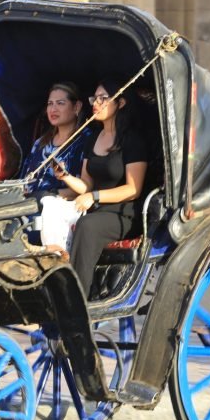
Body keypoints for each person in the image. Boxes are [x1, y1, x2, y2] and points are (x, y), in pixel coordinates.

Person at [55, 78, 148, 298]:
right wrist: (66, 177)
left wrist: (94, 196)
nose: (95, 103)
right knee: (50, 211)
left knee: (87, 226)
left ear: (120, 103)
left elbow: (133, 189)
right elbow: (86, 184)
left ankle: (76, 299)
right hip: (95, 208)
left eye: (103, 98)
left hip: (123, 213)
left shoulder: (132, 140)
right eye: (94, 98)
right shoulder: (94, 138)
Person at [19, 82, 90, 256]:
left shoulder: (87, 142)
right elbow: (25, 180)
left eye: (60, 103)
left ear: (77, 106)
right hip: (27, 205)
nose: (53, 109)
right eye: (50, 104)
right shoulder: (41, 143)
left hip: (58, 209)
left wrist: (47, 196)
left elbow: (85, 188)